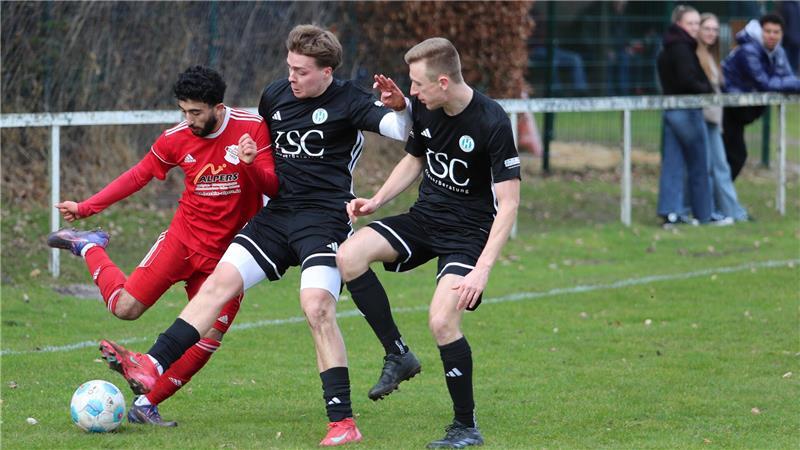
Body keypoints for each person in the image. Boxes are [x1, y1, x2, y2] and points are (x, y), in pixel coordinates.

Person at [95, 24, 412, 446]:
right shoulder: (275, 95)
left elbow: (402, 131)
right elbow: (260, 157)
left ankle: (343, 422)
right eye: (289, 68)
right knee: (219, 285)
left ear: (327, 71)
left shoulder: (351, 100)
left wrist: (402, 106)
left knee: (316, 307)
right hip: (277, 217)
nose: (292, 77)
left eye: (301, 71)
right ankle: (150, 364)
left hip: (323, 221)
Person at [47, 66, 279, 425]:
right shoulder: (175, 138)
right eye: (183, 111)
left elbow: (272, 187)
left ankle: (146, 405)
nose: (188, 120)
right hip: (181, 242)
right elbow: (138, 175)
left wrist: (248, 164)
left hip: (231, 258)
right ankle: (90, 247)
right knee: (124, 308)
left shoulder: (251, 129)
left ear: (218, 106)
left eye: (196, 113)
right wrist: (86, 207)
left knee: (206, 338)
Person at [336, 37, 521, 448]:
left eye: (418, 85)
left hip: (468, 236)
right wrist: (377, 200)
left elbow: (508, 205)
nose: (412, 93)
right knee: (349, 256)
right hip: (425, 219)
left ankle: (465, 426)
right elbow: (415, 158)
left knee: (441, 321)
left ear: (442, 81)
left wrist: (482, 270)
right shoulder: (424, 106)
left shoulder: (491, 121)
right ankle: (398, 354)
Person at [656, 5, 715, 227]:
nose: (695, 28)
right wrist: (706, 88)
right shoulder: (682, 48)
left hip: (671, 111)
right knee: (699, 163)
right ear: (679, 24)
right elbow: (687, 80)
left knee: (673, 163)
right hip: (686, 111)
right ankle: (702, 212)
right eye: (690, 23)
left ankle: (670, 210)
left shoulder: (668, 47)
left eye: (697, 23)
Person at [721, 13, 800, 180]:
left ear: (782, 34)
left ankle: (718, 202)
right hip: (725, 109)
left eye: (776, 32)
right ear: (760, 31)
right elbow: (765, 83)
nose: (772, 35)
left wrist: (790, 82)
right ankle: (715, 202)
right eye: (768, 31)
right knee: (732, 158)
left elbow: (785, 77)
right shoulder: (749, 50)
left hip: (741, 112)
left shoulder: (778, 52)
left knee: (734, 158)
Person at [696, 13, 749, 222]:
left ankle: (730, 210)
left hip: (714, 120)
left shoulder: (713, 56)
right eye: (707, 28)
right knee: (710, 167)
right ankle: (715, 210)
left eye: (715, 29)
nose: (711, 33)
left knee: (721, 166)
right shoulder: (695, 55)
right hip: (702, 119)